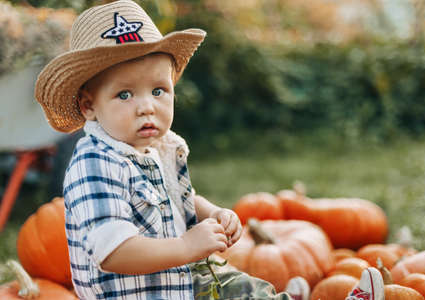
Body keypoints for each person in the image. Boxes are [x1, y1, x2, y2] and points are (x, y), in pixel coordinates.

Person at [35, 1, 296, 299]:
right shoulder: (94, 164)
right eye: (124, 94)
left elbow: (177, 197)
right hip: (138, 294)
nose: (147, 107)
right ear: (89, 105)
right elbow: (114, 252)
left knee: (244, 287)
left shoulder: (157, 147)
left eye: (158, 91)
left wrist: (214, 213)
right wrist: (185, 247)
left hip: (180, 282)